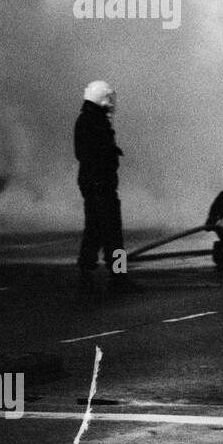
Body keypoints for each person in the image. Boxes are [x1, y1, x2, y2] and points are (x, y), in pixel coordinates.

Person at [75, 80, 139, 293]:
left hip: (92, 185)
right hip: (102, 185)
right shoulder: (97, 122)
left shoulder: (86, 120)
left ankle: (86, 272)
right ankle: (118, 276)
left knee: (93, 230)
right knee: (113, 234)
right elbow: (97, 153)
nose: (111, 104)